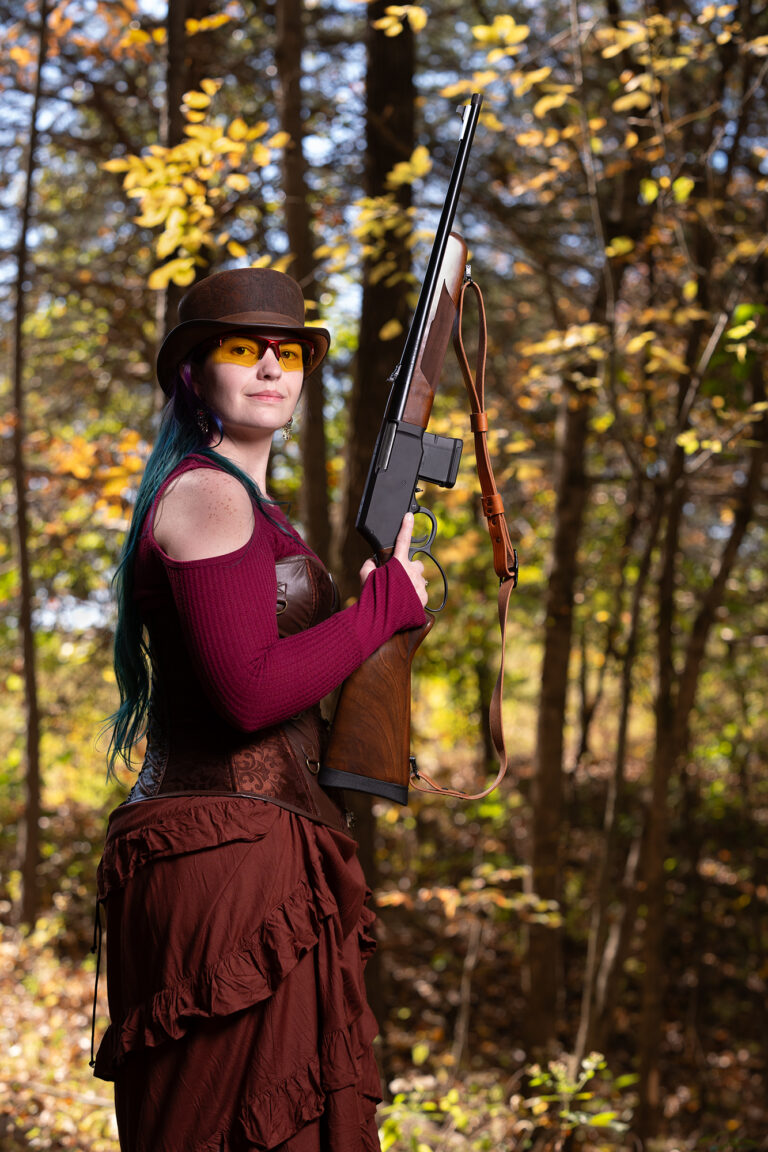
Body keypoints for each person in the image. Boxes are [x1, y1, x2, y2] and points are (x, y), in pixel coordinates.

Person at [91, 266, 428, 1152]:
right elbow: (248, 695)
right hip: (222, 856)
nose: (272, 366)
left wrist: (380, 623)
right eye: (244, 348)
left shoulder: (251, 507)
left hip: (259, 847)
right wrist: (379, 611)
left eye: (290, 352)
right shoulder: (208, 495)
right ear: (193, 371)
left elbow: (286, 684)